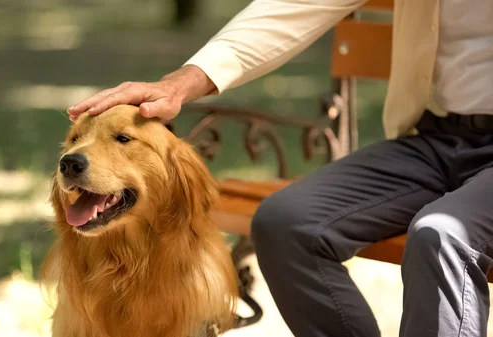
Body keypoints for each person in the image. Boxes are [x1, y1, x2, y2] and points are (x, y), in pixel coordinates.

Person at [67, 0, 493, 336]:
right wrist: (177, 86)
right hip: (437, 137)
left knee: (440, 236)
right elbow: (293, 7)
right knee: (285, 222)